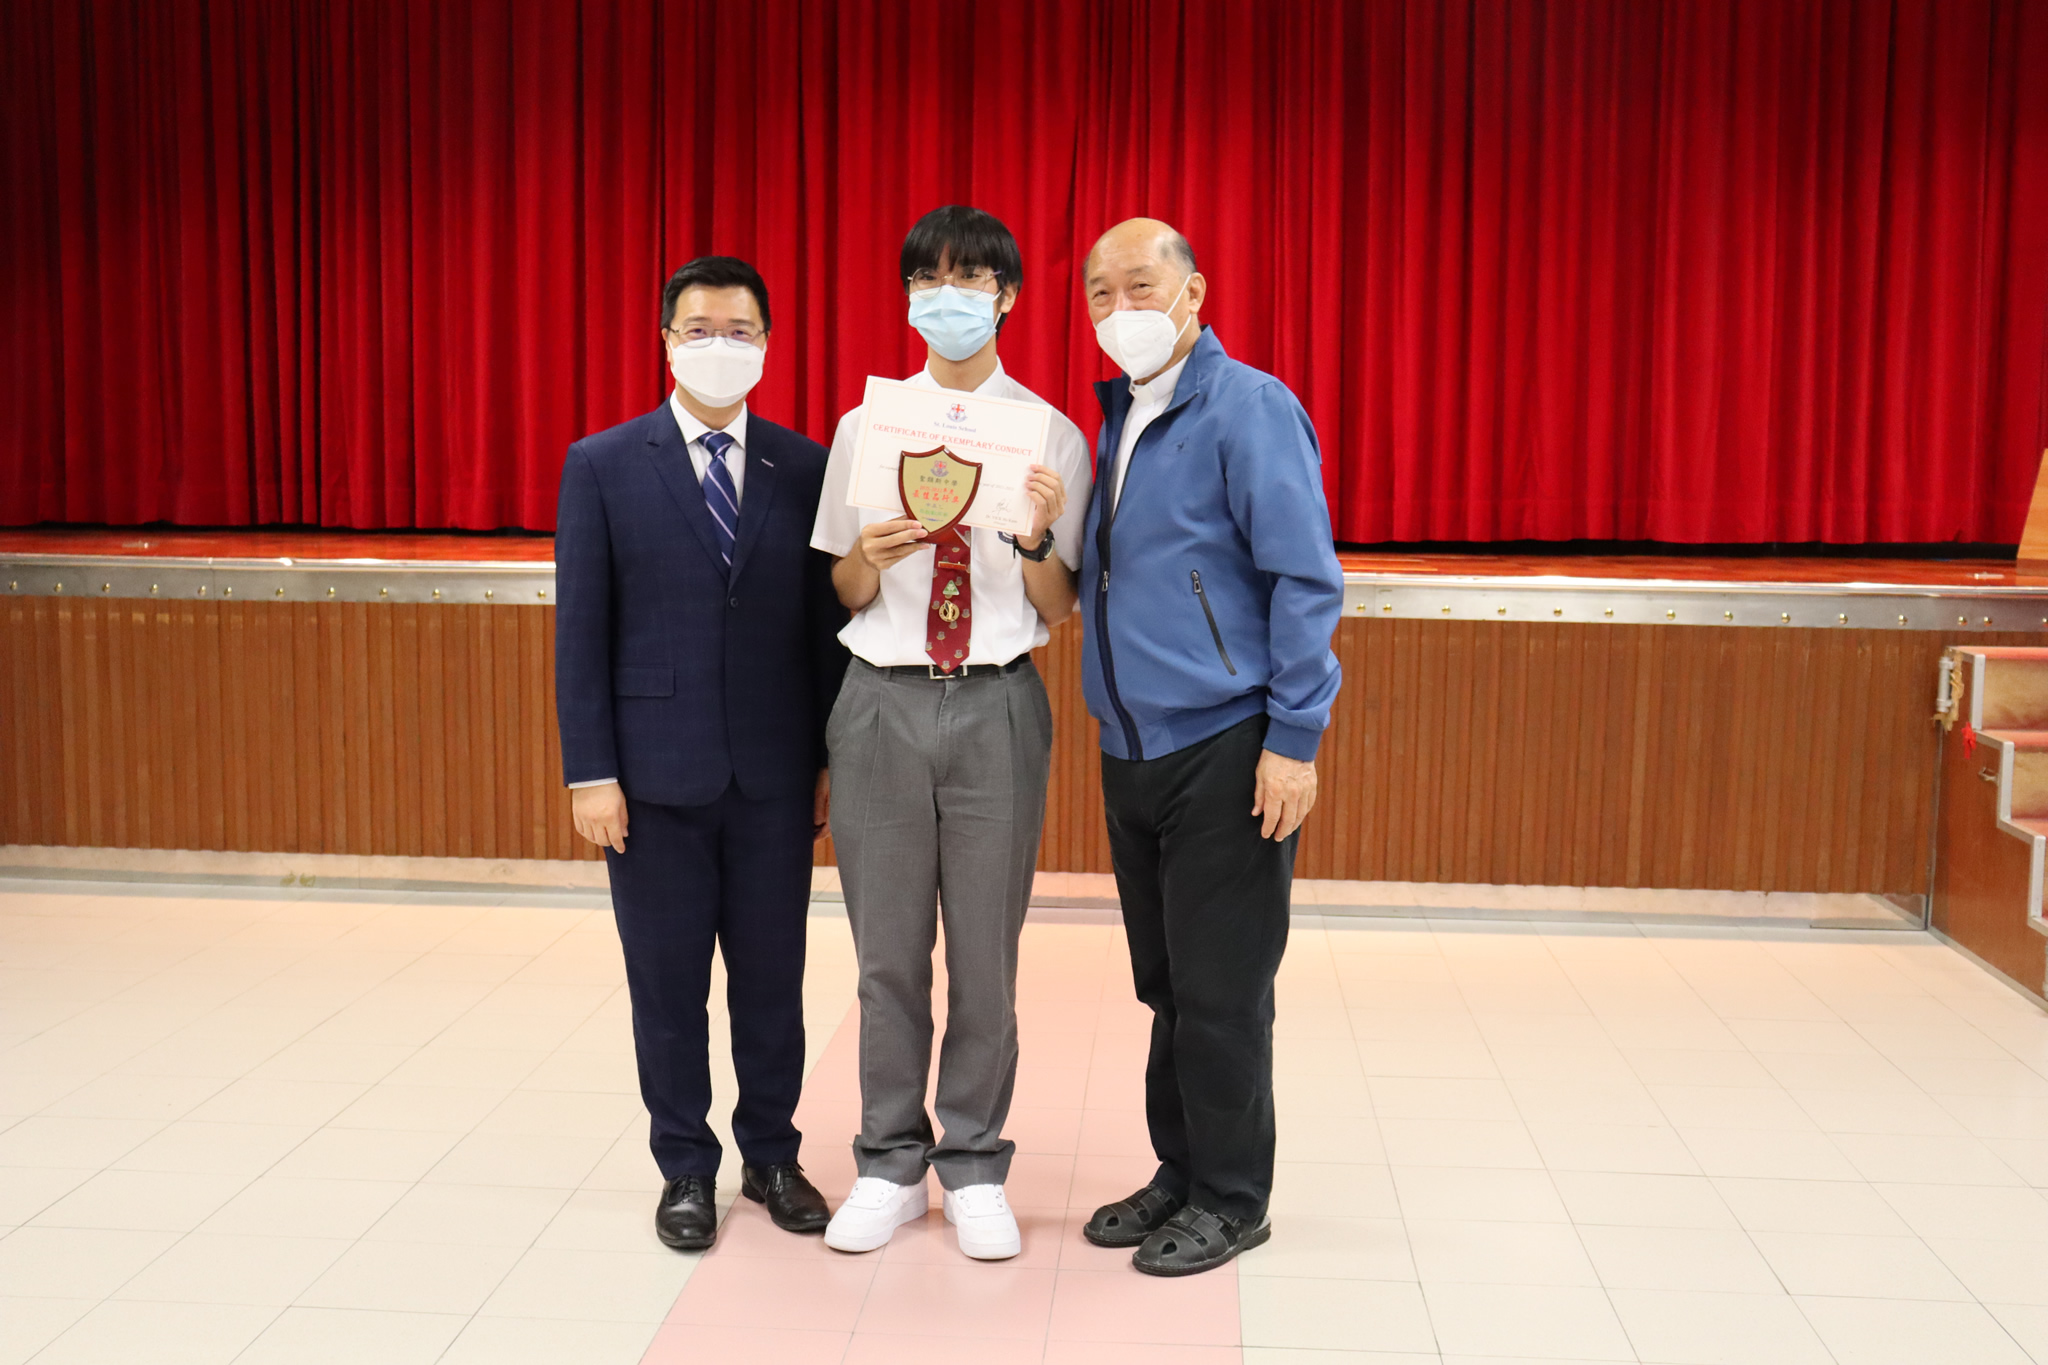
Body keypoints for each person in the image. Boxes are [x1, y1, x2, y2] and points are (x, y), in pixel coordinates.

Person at [810, 205, 1092, 1261]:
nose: (948, 297)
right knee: (886, 957)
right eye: (929, 279)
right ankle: (888, 1160)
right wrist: (872, 558)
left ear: (1006, 296)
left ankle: (973, 1163)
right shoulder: (865, 427)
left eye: (970, 279)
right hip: (880, 698)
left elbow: (1059, 605)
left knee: (985, 955)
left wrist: (1033, 541)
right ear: (907, 298)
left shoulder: (1049, 435)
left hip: (995, 700)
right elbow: (841, 587)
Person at [554, 255, 847, 1252]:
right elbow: (581, 631)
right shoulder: (601, 464)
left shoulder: (804, 466)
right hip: (649, 781)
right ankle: (684, 1164)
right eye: (700, 328)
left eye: (740, 330)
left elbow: (822, 635)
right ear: (666, 340)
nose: (721, 345)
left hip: (773, 778)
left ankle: (771, 1154)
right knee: (668, 990)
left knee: (772, 983)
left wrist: (824, 762)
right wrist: (590, 772)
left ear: (767, 343)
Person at [1074, 218, 1343, 1275]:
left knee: (1222, 991)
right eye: (1100, 293)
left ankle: (1233, 1198)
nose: (1119, 309)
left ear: (1192, 292)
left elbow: (1303, 578)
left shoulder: (1248, 406)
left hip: (1227, 743)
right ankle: (1180, 1171)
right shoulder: (1118, 418)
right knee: (1168, 986)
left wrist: (1293, 738)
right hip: (1130, 747)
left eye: (1139, 285)